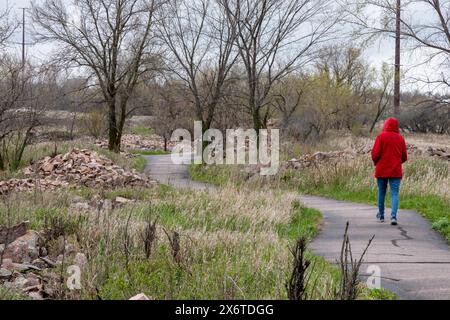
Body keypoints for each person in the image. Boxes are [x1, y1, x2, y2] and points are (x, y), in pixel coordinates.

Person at [371, 117, 408, 225]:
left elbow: (375, 154)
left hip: (381, 169)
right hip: (395, 170)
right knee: (395, 193)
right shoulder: (400, 138)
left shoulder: (380, 137)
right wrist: (397, 162)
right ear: (397, 126)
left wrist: (377, 162)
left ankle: (381, 216)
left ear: (385, 125)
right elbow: (404, 156)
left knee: (381, 192)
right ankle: (393, 217)